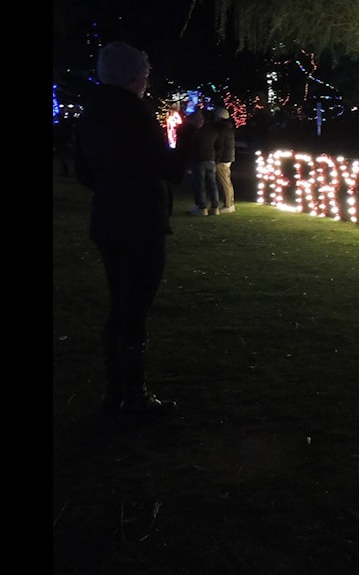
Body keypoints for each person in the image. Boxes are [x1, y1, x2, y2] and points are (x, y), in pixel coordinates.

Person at [73, 41, 189, 417]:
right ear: (134, 76)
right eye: (144, 72)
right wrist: (186, 135)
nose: (146, 79)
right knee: (135, 307)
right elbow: (172, 170)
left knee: (119, 304)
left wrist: (112, 185)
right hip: (141, 221)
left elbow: (84, 172)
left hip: (107, 219)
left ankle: (114, 389)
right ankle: (134, 393)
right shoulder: (136, 116)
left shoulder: (90, 114)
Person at [189, 109, 220, 216]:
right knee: (212, 183)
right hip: (210, 158)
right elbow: (218, 145)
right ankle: (215, 206)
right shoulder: (213, 130)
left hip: (199, 159)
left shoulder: (196, 131)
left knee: (199, 183)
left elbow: (192, 145)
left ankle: (202, 207)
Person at [213, 107, 237, 213]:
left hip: (223, 159)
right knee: (226, 181)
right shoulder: (228, 129)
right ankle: (229, 203)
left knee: (224, 182)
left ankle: (228, 205)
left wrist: (216, 159)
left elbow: (220, 146)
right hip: (227, 157)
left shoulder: (222, 130)